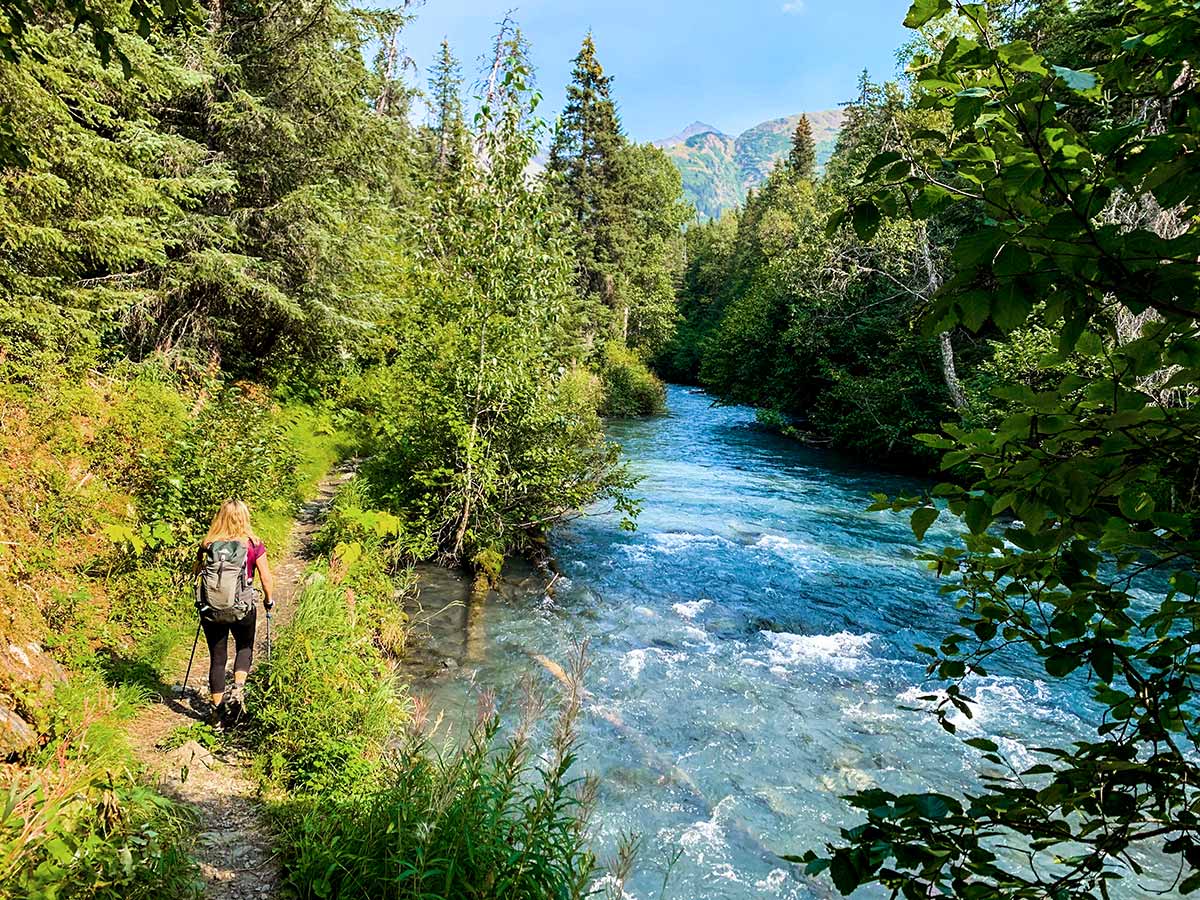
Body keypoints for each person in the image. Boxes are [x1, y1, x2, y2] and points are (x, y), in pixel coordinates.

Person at [193, 500, 274, 723]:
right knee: (245, 647)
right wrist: (268, 601)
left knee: (217, 659)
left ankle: (217, 713)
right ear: (245, 518)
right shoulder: (253, 544)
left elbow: (198, 573)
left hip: (211, 609)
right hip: (242, 608)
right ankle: (238, 689)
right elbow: (266, 578)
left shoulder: (208, 544)